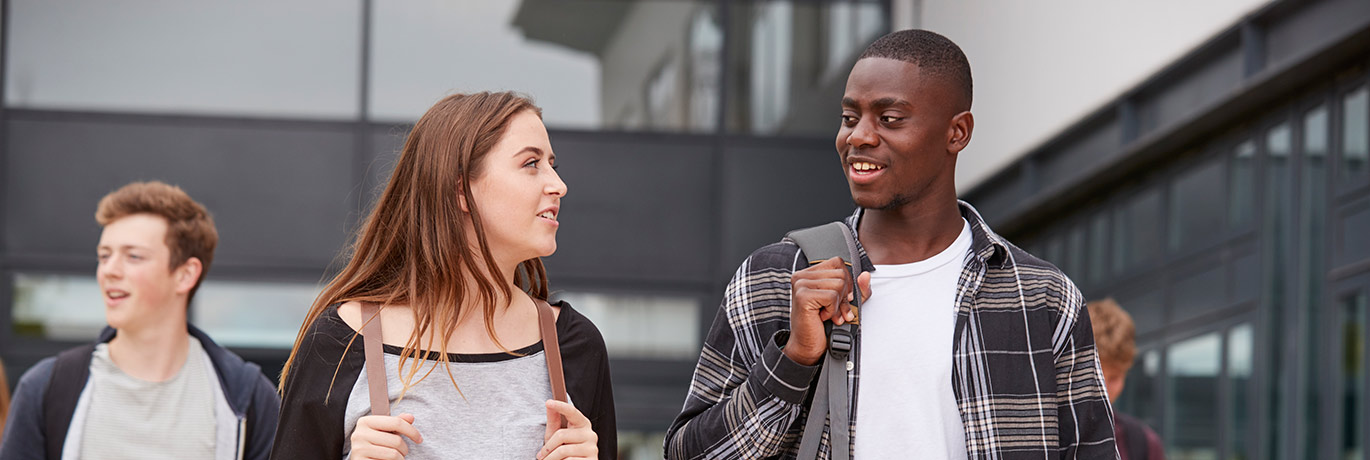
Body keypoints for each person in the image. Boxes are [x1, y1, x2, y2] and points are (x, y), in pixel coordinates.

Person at [664, 29, 1117, 459]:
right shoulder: (774, 280)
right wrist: (793, 360)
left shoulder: (1041, 298)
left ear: (956, 132)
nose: (858, 136)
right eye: (849, 117)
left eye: (890, 118)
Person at [271, 91, 615, 460]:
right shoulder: (339, 342)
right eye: (531, 163)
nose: (557, 185)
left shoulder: (575, 347)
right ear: (460, 192)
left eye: (552, 165)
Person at [0, 181, 281, 460]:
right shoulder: (46, 388)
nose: (109, 270)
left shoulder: (249, 399)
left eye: (133, 256)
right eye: (104, 255)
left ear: (185, 274)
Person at [1088, 299, 1164, 460]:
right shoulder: (1041, 435)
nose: (1105, 389)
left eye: (1114, 377)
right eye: (1096, 376)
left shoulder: (1144, 443)